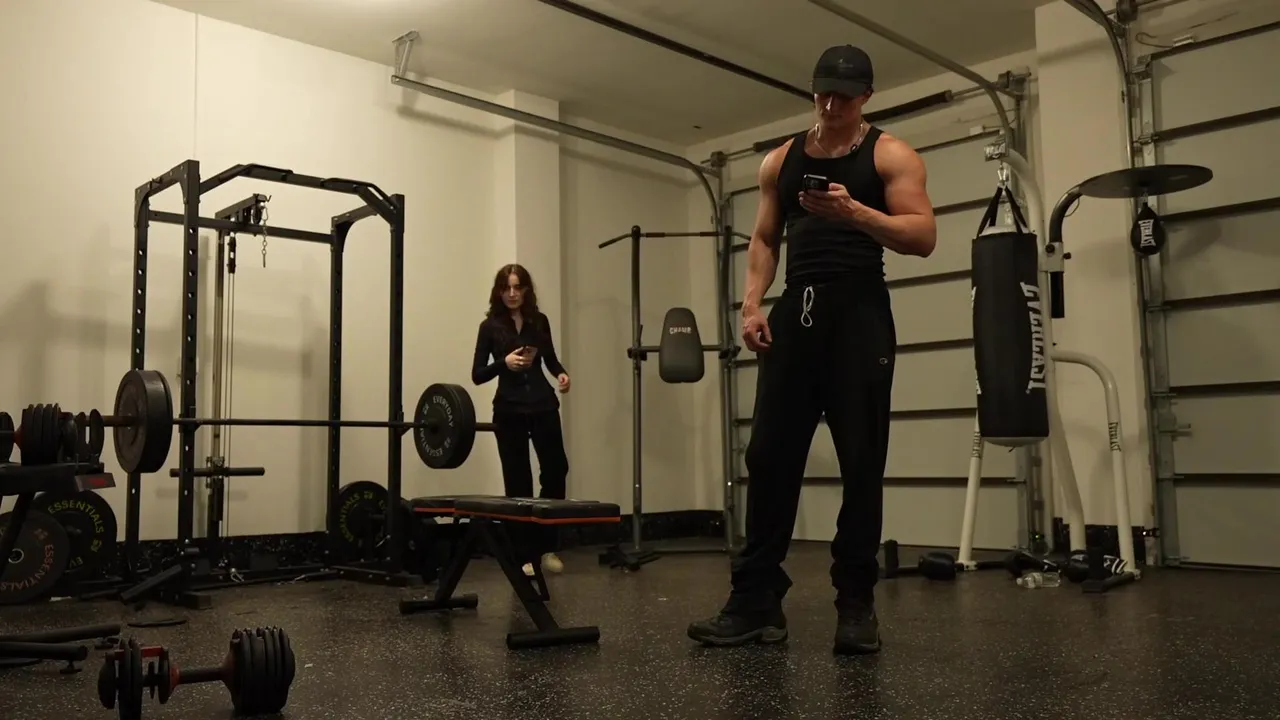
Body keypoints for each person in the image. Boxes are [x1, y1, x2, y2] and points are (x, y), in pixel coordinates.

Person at [687, 45, 937, 655]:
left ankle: (855, 605)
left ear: (866, 97)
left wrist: (855, 212)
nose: (830, 104)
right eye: (823, 92)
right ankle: (755, 602)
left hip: (860, 315)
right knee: (769, 458)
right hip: (794, 314)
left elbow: (922, 236)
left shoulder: (891, 155)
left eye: (844, 96)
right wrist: (750, 305)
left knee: (861, 463)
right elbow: (764, 238)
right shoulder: (781, 160)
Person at [471, 263, 572, 576]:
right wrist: (504, 362)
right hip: (509, 409)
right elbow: (477, 374)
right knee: (518, 481)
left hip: (542, 404)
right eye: (506, 288)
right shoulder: (489, 327)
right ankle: (524, 554)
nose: (512, 294)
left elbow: (550, 358)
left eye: (518, 287)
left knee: (556, 469)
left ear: (526, 290)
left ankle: (547, 546)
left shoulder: (538, 321)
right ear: (499, 292)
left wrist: (561, 374)